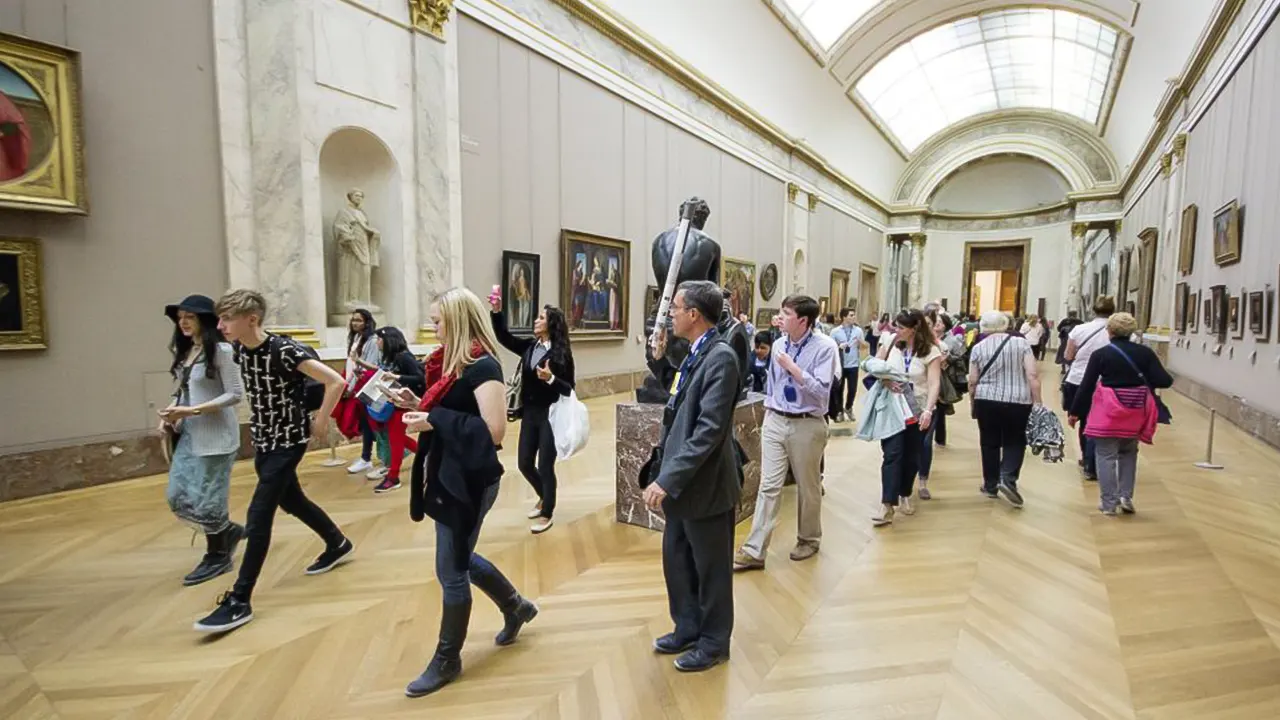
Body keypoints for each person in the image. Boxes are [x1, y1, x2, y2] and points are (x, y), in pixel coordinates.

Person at [395, 288, 538, 697]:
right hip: (450, 473)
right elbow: (456, 411)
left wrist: (433, 419)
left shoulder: (482, 367)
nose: (433, 326)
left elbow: (494, 431)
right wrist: (415, 401)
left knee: (451, 569)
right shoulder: (451, 365)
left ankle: (447, 659)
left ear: (457, 321)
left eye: (438, 320)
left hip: (470, 480)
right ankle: (516, 607)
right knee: (459, 557)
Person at [195, 290, 354, 634]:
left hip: (289, 441)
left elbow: (336, 381)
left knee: (259, 514)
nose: (220, 325)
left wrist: (322, 420)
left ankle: (240, 599)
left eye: (227, 319)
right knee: (292, 500)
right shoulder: (239, 348)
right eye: (219, 319)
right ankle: (337, 542)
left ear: (251, 319)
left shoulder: (284, 350)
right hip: (265, 440)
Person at [641, 280, 741, 672]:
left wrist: (667, 479)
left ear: (694, 315)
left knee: (712, 569)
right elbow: (678, 399)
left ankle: (714, 641)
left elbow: (708, 431)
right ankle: (687, 627)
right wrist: (661, 358)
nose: (672, 314)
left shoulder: (721, 358)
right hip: (685, 486)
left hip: (706, 486)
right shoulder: (698, 352)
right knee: (678, 559)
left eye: (676, 308)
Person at [734, 295, 837, 570]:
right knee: (768, 485)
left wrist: (794, 369)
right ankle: (755, 550)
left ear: (803, 320)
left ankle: (809, 538)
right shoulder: (779, 343)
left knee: (808, 486)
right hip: (776, 420)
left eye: (787, 313)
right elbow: (775, 385)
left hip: (807, 423)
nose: (780, 316)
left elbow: (821, 391)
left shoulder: (825, 347)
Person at [159, 294, 245, 586]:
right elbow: (183, 388)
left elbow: (235, 394)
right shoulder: (189, 351)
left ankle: (218, 554)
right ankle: (226, 531)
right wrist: (171, 411)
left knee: (209, 497)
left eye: (190, 317)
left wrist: (192, 410)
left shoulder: (220, 349)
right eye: (180, 317)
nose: (183, 322)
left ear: (204, 320)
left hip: (216, 436)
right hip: (190, 433)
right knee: (178, 494)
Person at [1068, 313, 1172, 516]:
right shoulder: (1145, 353)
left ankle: (1109, 503)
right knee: (1129, 453)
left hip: (1109, 412)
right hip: (1135, 411)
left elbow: (1087, 385)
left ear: (1110, 331)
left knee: (1105, 455)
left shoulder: (1101, 354)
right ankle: (1126, 496)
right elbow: (1165, 380)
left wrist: (1076, 412)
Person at [489, 296, 576, 534]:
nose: (536, 321)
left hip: (550, 415)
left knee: (545, 466)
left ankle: (547, 511)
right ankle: (543, 495)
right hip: (530, 414)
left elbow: (569, 388)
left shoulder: (561, 354)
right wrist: (497, 311)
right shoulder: (530, 346)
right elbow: (504, 337)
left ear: (551, 324)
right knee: (524, 463)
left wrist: (551, 379)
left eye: (541, 318)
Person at [872, 309, 943, 521]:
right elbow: (874, 366)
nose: (897, 330)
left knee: (912, 456)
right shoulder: (891, 343)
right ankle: (887, 503)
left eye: (902, 327)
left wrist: (929, 410)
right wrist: (884, 380)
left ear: (914, 329)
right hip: (892, 408)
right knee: (892, 454)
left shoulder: (930, 351)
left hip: (918, 408)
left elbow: (933, 383)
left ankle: (904, 493)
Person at [968, 311, 1042, 507]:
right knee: (1016, 440)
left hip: (986, 399)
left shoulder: (978, 347)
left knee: (989, 442)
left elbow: (972, 381)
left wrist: (973, 403)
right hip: (1018, 399)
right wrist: (1038, 402)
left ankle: (991, 485)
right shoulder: (1021, 343)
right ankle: (1008, 478)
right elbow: (1032, 375)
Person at [1063, 297, 1116, 481]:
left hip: (1078, 380)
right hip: (1107, 382)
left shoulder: (1079, 329)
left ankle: (1087, 460)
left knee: (1085, 422)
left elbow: (1068, 355)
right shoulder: (1117, 332)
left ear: (1093, 310)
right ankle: (1097, 460)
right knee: (1101, 422)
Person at [369, 326, 426, 493]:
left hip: (403, 403)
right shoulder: (391, 358)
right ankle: (428, 455)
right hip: (395, 402)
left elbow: (419, 378)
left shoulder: (403, 357)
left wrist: (396, 377)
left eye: (379, 339)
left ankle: (393, 477)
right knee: (395, 436)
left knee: (395, 438)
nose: (377, 342)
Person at [344, 309, 383, 478]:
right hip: (358, 385)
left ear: (367, 322)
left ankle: (384, 459)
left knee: (375, 423)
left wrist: (358, 366)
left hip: (369, 387)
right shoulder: (356, 338)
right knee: (364, 422)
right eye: (353, 320)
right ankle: (366, 457)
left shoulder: (373, 340)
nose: (355, 323)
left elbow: (372, 366)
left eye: (359, 320)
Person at [829, 309, 866, 423]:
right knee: (839, 389)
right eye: (851, 315)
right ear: (844, 317)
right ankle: (839, 411)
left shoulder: (858, 331)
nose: (854, 317)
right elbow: (830, 348)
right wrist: (839, 346)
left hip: (853, 364)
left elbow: (864, 347)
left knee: (853, 389)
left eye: (854, 315)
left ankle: (849, 407)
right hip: (840, 364)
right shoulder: (835, 331)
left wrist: (861, 343)